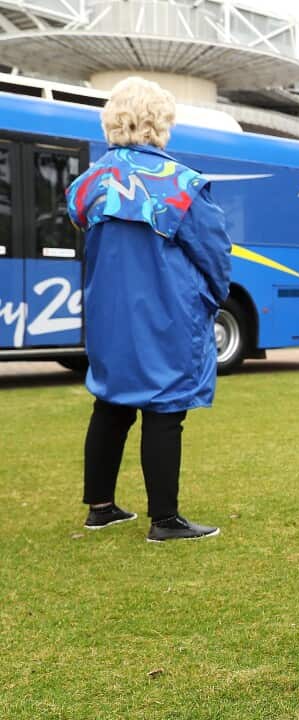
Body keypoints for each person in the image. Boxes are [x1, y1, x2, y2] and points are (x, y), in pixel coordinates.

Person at [69, 76, 231, 542]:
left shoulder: (89, 184)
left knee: (111, 402)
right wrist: (212, 296)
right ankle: (165, 519)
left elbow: (82, 225)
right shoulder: (180, 184)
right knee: (165, 406)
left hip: (109, 311)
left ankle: (101, 508)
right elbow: (213, 251)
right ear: (159, 122)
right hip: (167, 310)